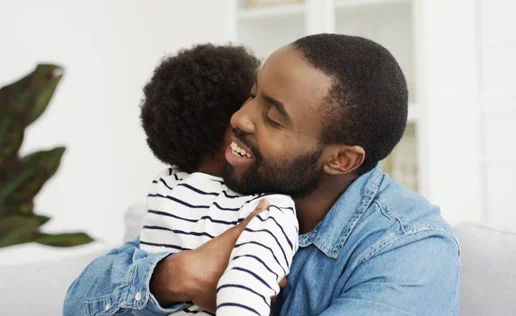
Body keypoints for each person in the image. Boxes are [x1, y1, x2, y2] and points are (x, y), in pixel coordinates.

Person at [64, 34, 460, 316]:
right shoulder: (227, 191)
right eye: (252, 95)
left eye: (272, 118)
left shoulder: (410, 249)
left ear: (341, 160)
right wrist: (176, 275)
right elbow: (78, 302)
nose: (238, 118)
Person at [138, 43, 298, 316]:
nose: (248, 119)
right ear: (233, 132)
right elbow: (244, 291)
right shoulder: (266, 207)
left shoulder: (164, 188)